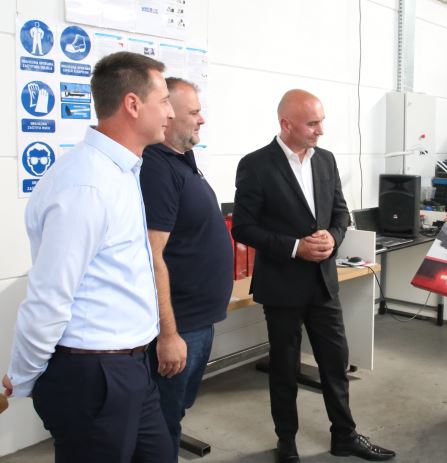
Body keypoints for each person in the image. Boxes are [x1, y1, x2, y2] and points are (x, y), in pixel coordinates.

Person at [2, 51, 175, 463]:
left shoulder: (121, 171)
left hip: (133, 367)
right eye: (164, 100)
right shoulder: (86, 185)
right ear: (132, 104)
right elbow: (49, 296)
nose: (170, 112)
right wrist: (23, 377)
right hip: (94, 377)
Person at [232, 89, 395, 463]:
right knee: (285, 368)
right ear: (286, 124)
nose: (321, 130)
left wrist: (332, 238)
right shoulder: (256, 165)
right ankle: (286, 442)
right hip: (282, 286)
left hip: (323, 282)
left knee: (335, 362)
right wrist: (295, 247)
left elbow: (341, 214)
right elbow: (243, 227)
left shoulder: (326, 160)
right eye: (312, 123)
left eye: (322, 121)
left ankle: (344, 436)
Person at [140, 78, 234, 461]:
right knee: (161, 423)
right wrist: (168, 334)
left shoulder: (182, 163)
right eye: (193, 112)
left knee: (174, 412)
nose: (202, 119)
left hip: (197, 322)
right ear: (167, 115)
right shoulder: (156, 169)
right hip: (179, 326)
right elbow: (151, 256)